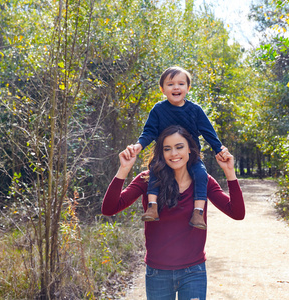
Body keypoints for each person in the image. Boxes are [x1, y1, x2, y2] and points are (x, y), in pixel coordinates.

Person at [102, 125, 245, 300]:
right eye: (167, 149)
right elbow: (109, 209)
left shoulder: (203, 182)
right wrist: (124, 168)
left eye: (179, 147)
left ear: (190, 150)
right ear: (161, 153)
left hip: (194, 272)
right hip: (157, 273)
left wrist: (229, 172)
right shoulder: (147, 180)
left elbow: (237, 213)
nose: (174, 153)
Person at [131, 66, 225, 230]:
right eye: (170, 84)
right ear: (162, 89)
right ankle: (152, 207)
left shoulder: (195, 110)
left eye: (181, 83)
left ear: (188, 88)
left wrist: (219, 149)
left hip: (192, 156)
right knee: (154, 169)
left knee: (201, 174)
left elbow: (208, 132)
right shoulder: (158, 110)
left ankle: (198, 212)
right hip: (164, 156)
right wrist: (139, 145)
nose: (176, 87)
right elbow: (149, 132)